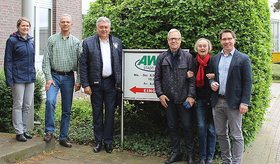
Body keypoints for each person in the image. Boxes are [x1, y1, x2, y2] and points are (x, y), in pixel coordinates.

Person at [79, 16, 122, 153]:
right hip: (95, 84)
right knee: (97, 114)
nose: (104, 29)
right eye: (101, 27)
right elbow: (83, 65)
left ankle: (108, 142)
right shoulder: (87, 43)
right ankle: (98, 141)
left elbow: (121, 63)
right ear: (97, 28)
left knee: (110, 113)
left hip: (111, 83)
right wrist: (85, 84)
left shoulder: (117, 42)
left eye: (106, 27)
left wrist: (119, 83)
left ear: (109, 28)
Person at [210, 29, 252, 164]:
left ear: (234, 40)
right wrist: (212, 83)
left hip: (234, 103)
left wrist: (245, 102)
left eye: (229, 38)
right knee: (221, 134)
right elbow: (211, 76)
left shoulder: (243, 58)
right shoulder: (215, 58)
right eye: (224, 39)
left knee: (236, 135)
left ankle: (236, 162)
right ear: (220, 41)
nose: (227, 41)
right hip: (218, 102)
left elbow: (247, 82)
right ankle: (226, 161)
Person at [154, 29, 196, 164]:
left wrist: (191, 96)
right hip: (169, 100)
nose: (174, 41)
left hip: (184, 99)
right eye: (172, 39)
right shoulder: (162, 57)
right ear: (168, 41)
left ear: (180, 40)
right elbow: (157, 78)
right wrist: (160, 94)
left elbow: (192, 80)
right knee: (172, 127)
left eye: (176, 39)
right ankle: (176, 152)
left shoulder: (188, 57)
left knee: (187, 126)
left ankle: (190, 154)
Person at [42, 14, 81, 148]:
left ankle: (63, 137)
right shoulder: (51, 39)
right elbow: (46, 60)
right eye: (63, 22)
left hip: (69, 78)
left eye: (67, 22)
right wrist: (48, 78)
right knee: (50, 101)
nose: (65, 24)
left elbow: (80, 63)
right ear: (59, 24)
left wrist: (79, 80)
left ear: (71, 24)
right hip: (54, 77)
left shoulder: (76, 42)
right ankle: (49, 131)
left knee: (67, 109)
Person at [4, 17, 35, 142]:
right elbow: (8, 61)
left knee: (27, 105)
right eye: (23, 26)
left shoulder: (31, 40)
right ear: (18, 27)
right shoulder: (12, 41)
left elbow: (32, 60)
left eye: (27, 26)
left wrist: (34, 75)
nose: (25, 28)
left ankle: (24, 129)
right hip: (18, 78)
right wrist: (9, 79)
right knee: (18, 104)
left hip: (30, 77)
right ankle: (18, 132)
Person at [192, 38, 216, 164]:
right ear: (196, 48)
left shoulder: (214, 61)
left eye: (204, 46)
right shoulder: (193, 62)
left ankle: (210, 157)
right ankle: (202, 157)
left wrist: (215, 75)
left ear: (208, 48)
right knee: (201, 127)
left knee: (212, 129)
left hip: (213, 101)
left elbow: (222, 75)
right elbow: (190, 80)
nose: (202, 48)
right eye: (200, 46)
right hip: (200, 100)